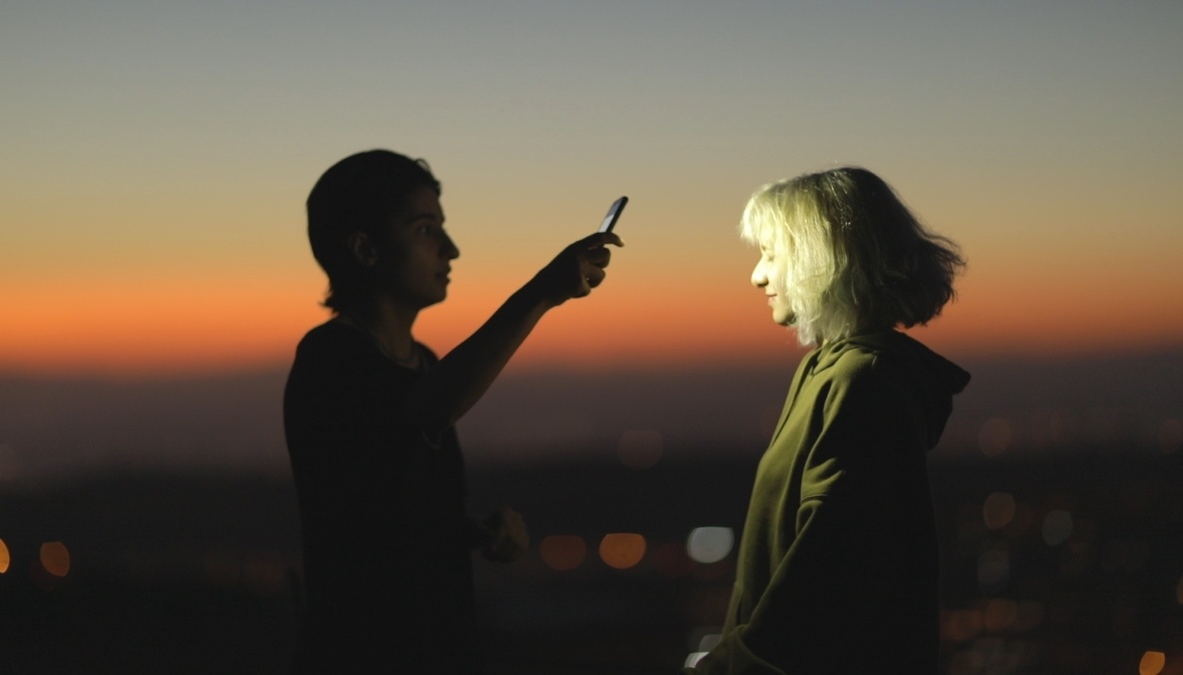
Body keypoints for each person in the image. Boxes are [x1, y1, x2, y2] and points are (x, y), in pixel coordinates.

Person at [283, 149, 621, 673]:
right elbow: (422, 415)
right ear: (365, 249)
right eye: (425, 230)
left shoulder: (423, 364)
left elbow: (380, 504)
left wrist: (470, 532)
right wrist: (539, 294)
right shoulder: (331, 358)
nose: (451, 249)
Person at [685, 167, 969, 674]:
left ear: (823, 259)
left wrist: (731, 666)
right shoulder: (831, 370)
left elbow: (827, 577)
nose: (757, 275)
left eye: (771, 254)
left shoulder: (863, 382)